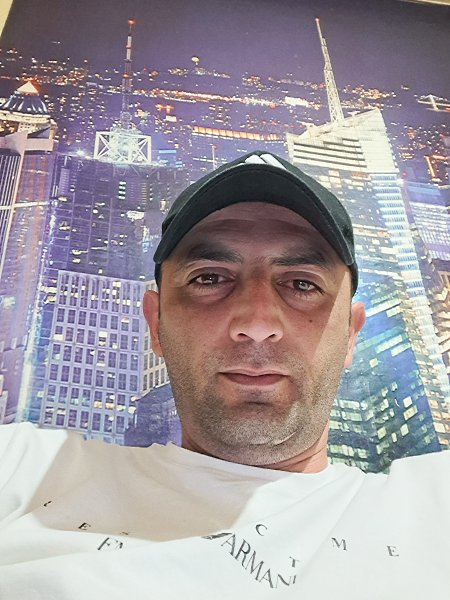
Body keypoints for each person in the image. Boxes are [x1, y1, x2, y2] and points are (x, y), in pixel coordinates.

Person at [0, 151, 449, 599]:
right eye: (210, 278)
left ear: (350, 334)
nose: (256, 322)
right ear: (156, 324)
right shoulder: (24, 473)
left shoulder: (433, 510)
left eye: (302, 284)